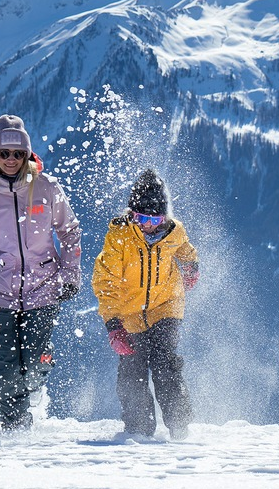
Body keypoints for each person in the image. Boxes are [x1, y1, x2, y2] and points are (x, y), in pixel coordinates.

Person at [0, 114, 82, 431]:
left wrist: (69, 275)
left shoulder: (45, 189)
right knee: (6, 369)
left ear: (27, 155)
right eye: (4, 153)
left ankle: (39, 375)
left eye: (18, 153)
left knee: (36, 367)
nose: (11, 159)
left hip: (43, 291)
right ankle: (16, 432)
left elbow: (70, 232)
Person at [92, 169, 199, 440]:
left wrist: (190, 266)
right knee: (133, 371)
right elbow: (106, 282)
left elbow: (185, 249)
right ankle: (139, 431)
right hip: (128, 313)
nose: (148, 225)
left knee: (165, 363)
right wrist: (114, 326)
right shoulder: (119, 236)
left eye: (155, 218)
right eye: (141, 218)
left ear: (165, 216)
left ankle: (179, 426)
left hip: (166, 305)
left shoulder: (174, 231)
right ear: (132, 214)